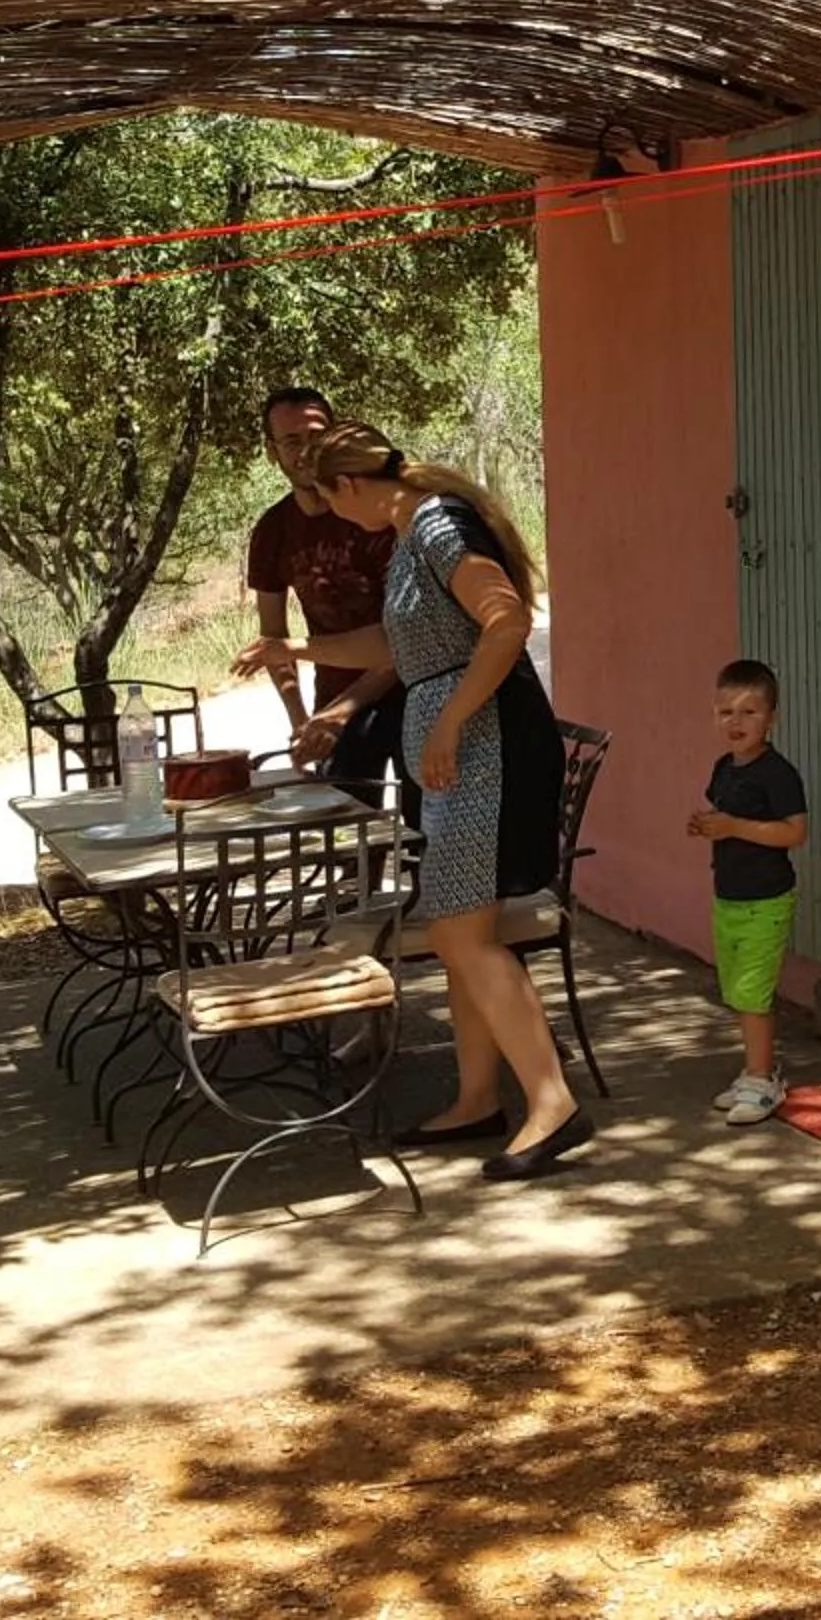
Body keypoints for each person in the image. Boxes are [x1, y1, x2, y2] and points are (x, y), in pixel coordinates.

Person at [236, 423, 587, 1180]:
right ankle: (476, 1100)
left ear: (352, 485)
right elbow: (399, 650)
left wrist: (453, 720)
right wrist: (291, 650)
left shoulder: (435, 525)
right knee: (459, 925)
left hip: (485, 749)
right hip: (459, 754)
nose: (334, 516)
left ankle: (553, 1104)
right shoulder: (412, 531)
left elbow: (507, 622)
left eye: (331, 500)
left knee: (464, 934)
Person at [245, 387, 407, 816]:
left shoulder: (376, 514)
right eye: (291, 442)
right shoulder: (273, 530)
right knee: (348, 838)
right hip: (336, 698)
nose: (306, 452)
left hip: (412, 689)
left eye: (316, 436)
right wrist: (302, 722)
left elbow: (405, 636)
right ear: (272, 451)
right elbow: (273, 639)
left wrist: (341, 711)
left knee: (426, 839)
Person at [688, 659, 808, 1126]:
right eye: (725, 712)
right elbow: (723, 816)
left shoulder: (778, 774)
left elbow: (795, 833)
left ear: (772, 717)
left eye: (749, 712)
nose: (736, 723)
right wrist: (706, 825)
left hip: (766, 900)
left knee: (753, 992)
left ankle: (763, 1080)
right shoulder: (724, 768)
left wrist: (734, 826)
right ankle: (753, 1071)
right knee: (737, 989)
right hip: (729, 896)